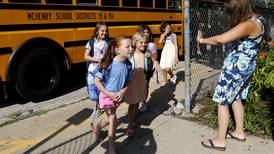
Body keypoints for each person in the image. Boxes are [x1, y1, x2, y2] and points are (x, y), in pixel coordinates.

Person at [197, 0, 269, 151]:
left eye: (231, 11)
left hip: (235, 69)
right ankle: (239, 132)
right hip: (245, 67)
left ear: (239, 9)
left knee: (222, 102)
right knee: (236, 97)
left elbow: (221, 39)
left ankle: (220, 140)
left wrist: (202, 40)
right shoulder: (259, 19)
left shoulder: (249, 24)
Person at [93, 36, 133, 154]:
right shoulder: (107, 63)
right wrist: (108, 94)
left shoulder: (129, 65)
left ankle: (97, 126)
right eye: (128, 46)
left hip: (117, 96)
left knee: (107, 118)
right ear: (117, 50)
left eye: (132, 46)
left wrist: (122, 91)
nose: (131, 49)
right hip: (106, 95)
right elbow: (96, 81)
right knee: (113, 118)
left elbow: (128, 81)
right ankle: (111, 147)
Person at [125, 32, 159, 137]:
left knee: (137, 104)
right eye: (141, 42)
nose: (143, 44)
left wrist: (155, 63)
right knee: (132, 104)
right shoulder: (130, 54)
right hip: (131, 83)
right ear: (135, 42)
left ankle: (133, 120)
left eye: (145, 42)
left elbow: (154, 59)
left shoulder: (147, 54)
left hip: (141, 82)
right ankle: (130, 126)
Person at [84, 22, 111, 130]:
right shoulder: (91, 42)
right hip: (92, 71)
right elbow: (85, 56)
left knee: (100, 91)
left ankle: (98, 108)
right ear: (97, 31)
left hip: (103, 71)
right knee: (92, 94)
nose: (104, 33)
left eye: (106, 30)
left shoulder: (109, 42)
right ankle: (99, 106)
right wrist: (97, 59)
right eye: (102, 31)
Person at [137, 24, 159, 112]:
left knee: (145, 84)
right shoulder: (137, 43)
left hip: (148, 68)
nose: (147, 34)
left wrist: (152, 57)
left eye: (148, 32)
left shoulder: (151, 45)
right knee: (138, 85)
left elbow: (155, 56)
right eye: (144, 32)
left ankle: (143, 102)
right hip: (138, 67)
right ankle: (138, 99)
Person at [159, 21, 179, 86]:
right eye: (167, 28)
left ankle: (173, 76)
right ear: (164, 29)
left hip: (171, 51)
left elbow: (176, 45)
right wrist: (165, 33)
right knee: (163, 67)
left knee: (168, 68)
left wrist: (176, 57)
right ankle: (165, 81)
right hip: (165, 51)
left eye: (170, 28)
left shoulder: (174, 35)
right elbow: (160, 41)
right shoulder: (163, 34)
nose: (169, 29)